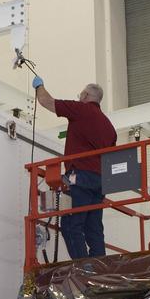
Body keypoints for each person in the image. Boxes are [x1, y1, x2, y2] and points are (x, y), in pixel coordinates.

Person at [32, 77, 117, 259]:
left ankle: (83, 267)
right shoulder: (109, 127)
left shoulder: (81, 110)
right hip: (100, 183)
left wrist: (39, 86)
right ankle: (99, 268)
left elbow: (46, 101)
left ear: (85, 95)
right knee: (94, 230)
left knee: (71, 225)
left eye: (80, 95)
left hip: (79, 177)